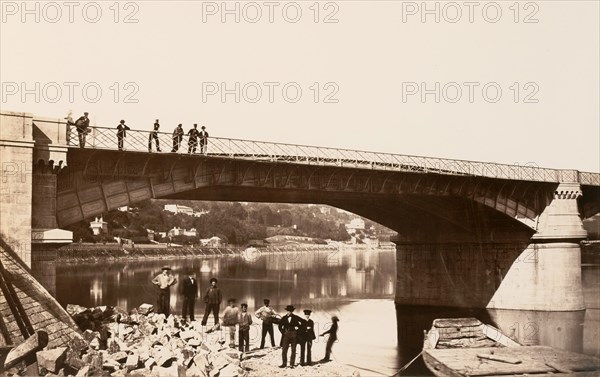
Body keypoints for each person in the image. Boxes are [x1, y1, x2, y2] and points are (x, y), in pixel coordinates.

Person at [278, 305, 305, 369]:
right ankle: (284, 364)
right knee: (284, 350)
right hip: (286, 335)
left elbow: (303, 322)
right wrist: (283, 332)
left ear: (292, 311)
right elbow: (279, 326)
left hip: (294, 334)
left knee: (293, 350)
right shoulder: (284, 318)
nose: (289, 312)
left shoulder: (295, 317)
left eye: (290, 311)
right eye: (288, 311)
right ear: (286, 311)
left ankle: (291, 364)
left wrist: (298, 328)